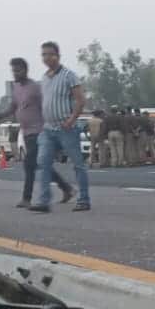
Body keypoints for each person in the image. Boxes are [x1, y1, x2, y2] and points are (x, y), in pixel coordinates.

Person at [0, 56, 72, 208]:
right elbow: (13, 107)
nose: (15, 73)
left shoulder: (35, 87)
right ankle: (66, 188)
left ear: (25, 70)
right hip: (27, 133)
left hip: (39, 131)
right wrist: (0, 115)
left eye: (18, 70)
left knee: (29, 164)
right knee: (40, 164)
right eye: (13, 70)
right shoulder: (16, 88)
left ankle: (26, 198)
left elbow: (47, 105)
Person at [31, 40, 90, 212]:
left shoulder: (68, 75)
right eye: (43, 55)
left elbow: (80, 100)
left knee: (77, 164)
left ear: (58, 55)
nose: (46, 58)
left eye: (50, 54)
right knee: (43, 162)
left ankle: (84, 199)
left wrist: (72, 119)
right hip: (48, 129)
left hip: (66, 128)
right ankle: (43, 201)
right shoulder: (44, 78)